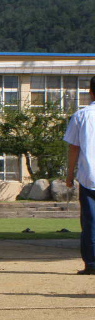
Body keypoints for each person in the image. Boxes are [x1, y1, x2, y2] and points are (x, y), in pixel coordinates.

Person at [65, 75, 95, 275]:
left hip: (89, 176)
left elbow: (74, 148)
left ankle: (92, 264)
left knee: (90, 222)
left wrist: (69, 173)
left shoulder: (82, 115)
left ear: (90, 91)